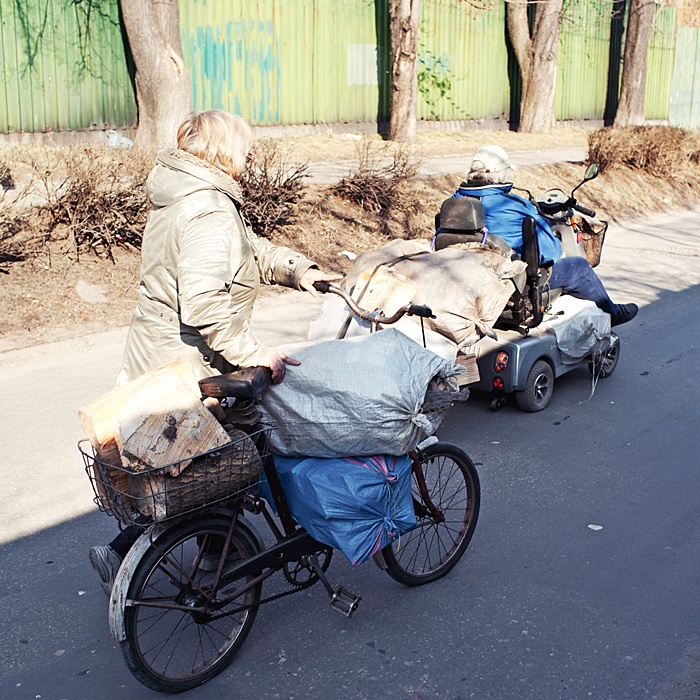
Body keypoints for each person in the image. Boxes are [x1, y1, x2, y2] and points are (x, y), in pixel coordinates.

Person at [89, 110, 341, 595]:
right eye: (244, 144)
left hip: (159, 351)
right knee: (223, 460)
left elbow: (245, 248)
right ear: (223, 150)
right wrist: (257, 352)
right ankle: (210, 556)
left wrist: (299, 270)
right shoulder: (207, 208)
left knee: (180, 461)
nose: (250, 153)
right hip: (185, 363)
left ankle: (155, 551)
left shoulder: (188, 193)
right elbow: (204, 304)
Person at [451, 145, 638, 327]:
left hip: (463, 278)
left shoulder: (454, 202)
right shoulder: (512, 206)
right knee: (579, 267)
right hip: (513, 285)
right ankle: (612, 313)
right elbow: (550, 252)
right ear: (501, 174)